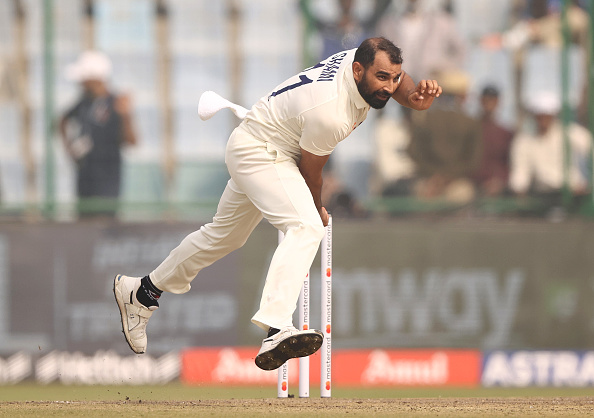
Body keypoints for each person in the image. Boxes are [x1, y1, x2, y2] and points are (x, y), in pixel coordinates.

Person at [113, 37, 442, 370]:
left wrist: (416, 100)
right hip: (262, 153)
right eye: (381, 77)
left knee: (224, 236)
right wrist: (318, 208)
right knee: (306, 225)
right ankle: (276, 326)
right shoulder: (331, 110)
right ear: (358, 70)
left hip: (263, 143)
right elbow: (311, 173)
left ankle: (142, 292)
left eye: (394, 77)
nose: (389, 86)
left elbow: (400, 84)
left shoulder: (357, 63)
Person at [59, 50, 138, 218]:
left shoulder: (116, 103)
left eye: (83, 78)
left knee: (104, 223)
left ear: (94, 78)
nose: (80, 83)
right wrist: (70, 149)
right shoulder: (85, 102)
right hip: (85, 178)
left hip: (107, 181)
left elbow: (132, 141)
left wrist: (126, 116)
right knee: (83, 222)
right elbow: (62, 121)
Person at [407, 70, 481, 204]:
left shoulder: (425, 120)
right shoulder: (470, 122)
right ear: (462, 96)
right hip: (457, 183)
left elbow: (414, 153)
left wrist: (436, 178)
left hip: (428, 182)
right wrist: (448, 178)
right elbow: (473, 160)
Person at [509, 91, 592, 204]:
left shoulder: (568, 132)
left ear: (553, 115)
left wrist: (588, 184)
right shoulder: (524, 141)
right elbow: (521, 171)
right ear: (534, 116)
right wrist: (519, 190)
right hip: (544, 196)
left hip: (573, 192)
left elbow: (589, 147)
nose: (543, 120)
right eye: (540, 115)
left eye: (547, 115)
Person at [473, 85, 515, 197]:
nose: (489, 103)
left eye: (492, 100)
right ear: (481, 101)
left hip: (500, 186)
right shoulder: (470, 129)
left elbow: (510, 163)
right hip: (474, 184)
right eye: (486, 100)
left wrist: (499, 181)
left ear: (498, 102)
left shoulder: (506, 133)